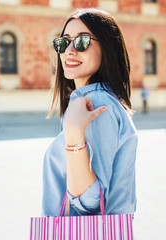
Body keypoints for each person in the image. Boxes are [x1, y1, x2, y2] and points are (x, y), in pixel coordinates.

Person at [42, 8, 137, 216]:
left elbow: (89, 202)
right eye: (64, 42)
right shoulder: (97, 100)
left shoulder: (96, 103)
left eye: (82, 41)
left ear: (107, 48)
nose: (69, 51)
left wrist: (74, 136)